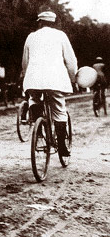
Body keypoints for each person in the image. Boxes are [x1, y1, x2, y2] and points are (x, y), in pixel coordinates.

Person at [22, 10, 78, 156]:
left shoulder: (31, 37)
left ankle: (38, 131)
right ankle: (61, 145)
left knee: (34, 99)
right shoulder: (61, 35)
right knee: (59, 110)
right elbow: (71, 61)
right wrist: (73, 78)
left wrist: (27, 77)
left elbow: (25, 62)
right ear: (54, 23)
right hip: (55, 80)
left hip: (34, 79)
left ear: (39, 23)